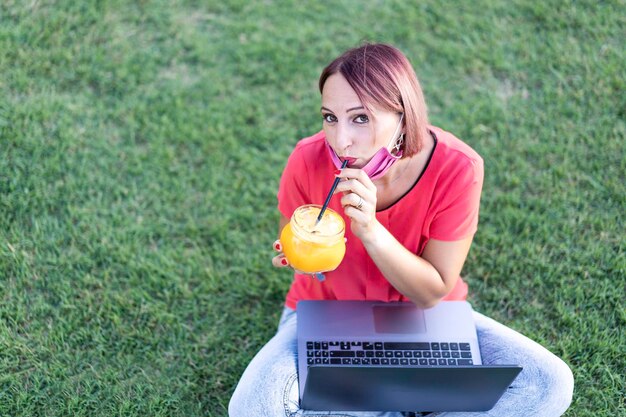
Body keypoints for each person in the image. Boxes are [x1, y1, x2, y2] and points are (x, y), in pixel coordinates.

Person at [229, 43, 574, 417]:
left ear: (403, 116)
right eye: (330, 117)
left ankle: (384, 401)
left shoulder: (458, 168)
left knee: (548, 380)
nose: (340, 139)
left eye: (360, 118)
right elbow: (297, 249)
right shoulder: (307, 158)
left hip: (423, 322)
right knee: (253, 407)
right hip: (328, 318)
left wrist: (371, 230)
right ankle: (409, 403)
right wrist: (303, 261)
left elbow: (431, 293)